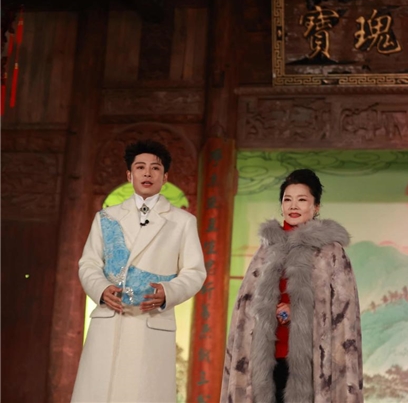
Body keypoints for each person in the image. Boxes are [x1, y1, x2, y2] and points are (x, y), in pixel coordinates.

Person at [71, 140, 206, 403]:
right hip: (110, 318)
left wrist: (168, 292)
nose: (147, 173)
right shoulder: (106, 217)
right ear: (129, 175)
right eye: (140, 167)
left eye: (155, 168)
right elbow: (88, 264)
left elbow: (194, 272)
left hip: (151, 319)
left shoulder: (182, 222)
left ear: (165, 177)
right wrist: (101, 289)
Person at [220, 169, 363, 403]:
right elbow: (245, 309)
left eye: (302, 199)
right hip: (266, 359)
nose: (293, 206)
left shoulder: (331, 252)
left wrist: (298, 311)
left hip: (315, 362)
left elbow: (343, 313)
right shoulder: (266, 250)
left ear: (316, 207)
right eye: (287, 199)